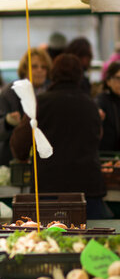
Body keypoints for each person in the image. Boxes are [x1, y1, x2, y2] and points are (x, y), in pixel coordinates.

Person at [10, 54, 108, 219]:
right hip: (87, 192)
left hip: (49, 192)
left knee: (51, 242)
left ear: (52, 74)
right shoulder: (91, 104)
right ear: (79, 75)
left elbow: (19, 146)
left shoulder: (39, 103)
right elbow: (97, 138)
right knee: (90, 240)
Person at [0, 48, 52, 167]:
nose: (40, 70)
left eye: (43, 67)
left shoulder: (51, 93)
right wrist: (7, 122)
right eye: (34, 66)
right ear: (24, 69)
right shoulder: (10, 92)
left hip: (44, 163)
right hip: (13, 163)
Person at [96, 60, 120, 151]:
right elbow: (97, 108)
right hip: (107, 155)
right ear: (108, 81)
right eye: (118, 79)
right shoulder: (102, 99)